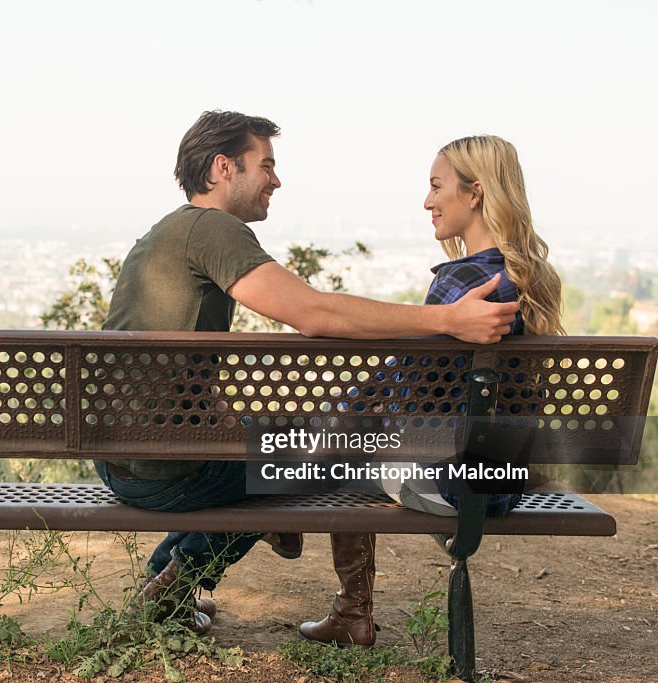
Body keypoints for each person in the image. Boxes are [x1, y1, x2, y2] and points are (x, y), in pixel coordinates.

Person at [95, 111, 519, 636]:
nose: (276, 179)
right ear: (224, 168)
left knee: (298, 451)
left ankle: (179, 581)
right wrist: (447, 319)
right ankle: (182, 584)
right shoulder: (213, 229)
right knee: (324, 458)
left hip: (121, 453)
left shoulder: (170, 231)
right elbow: (315, 314)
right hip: (159, 466)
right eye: (266, 165)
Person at [299, 135, 564, 647]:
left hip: (452, 485)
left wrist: (336, 417)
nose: (427, 201)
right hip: (504, 481)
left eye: (436, 186)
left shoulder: (461, 282)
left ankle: (351, 613)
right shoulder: (532, 279)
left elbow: (404, 399)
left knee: (322, 459)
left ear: (476, 193)